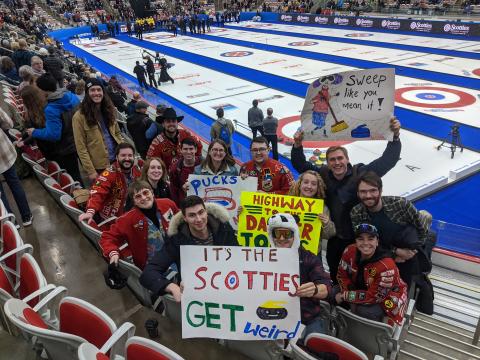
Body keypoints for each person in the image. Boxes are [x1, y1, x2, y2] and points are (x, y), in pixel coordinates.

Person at [291, 117, 401, 283]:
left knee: (362, 277)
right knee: (336, 274)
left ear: (347, 159)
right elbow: (301, 165)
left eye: (340, 158)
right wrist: (298, 145)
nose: (337, 163)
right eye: (332, 160)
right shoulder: (323, 174)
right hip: (335, 239)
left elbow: (386, 162)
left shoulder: (360, 172)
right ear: (327, 163)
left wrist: (395, 138)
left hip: (359, 237)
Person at [140, 195, 238, 302]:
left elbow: (239, 258)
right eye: (192, 215)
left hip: (227, 288)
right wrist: (171, 287)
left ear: (206, 211)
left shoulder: (224, 229)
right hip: (196, 296)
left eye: (201, 212)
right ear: (185, 218)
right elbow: (148, 273)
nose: (199, 219)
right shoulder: (176, 240)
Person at [350, 171, 432, 288]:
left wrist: (413, 251)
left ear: (381, 190)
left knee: (408, 288)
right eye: (363, 191)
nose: (368, 195)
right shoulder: (356, 213)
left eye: (373, 190)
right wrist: (395, 253)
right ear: (358, 193)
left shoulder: (401, 204)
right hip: (379, 257)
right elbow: (363, 244)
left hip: (408, 255)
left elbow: (422, 229)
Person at [267, 213, 331, 337]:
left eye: (286, 234)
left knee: (317, 349)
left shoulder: (310, 258)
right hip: (272, 317)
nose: (281, 238)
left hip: (307, 317)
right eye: (277, 234)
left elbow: (326, 287)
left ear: (294, 235)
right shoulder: (262, 258)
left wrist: (315, 289)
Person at [336, 223, 408, 326]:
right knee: (332, 292)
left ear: (377, 242)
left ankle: (371, 336)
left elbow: (374, 297)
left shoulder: (387, 266)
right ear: (355, 242)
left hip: (388, 297)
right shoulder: (349, 250)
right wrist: (346, 291)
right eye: (360, 239)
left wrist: (346, 296)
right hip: (363, 289)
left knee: (364, 311)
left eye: (370, 239)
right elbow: (341, 275)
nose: (365, 243)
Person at [99, 180, 178, 270]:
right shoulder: (127, 219)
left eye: (145, 193)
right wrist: (113, 253)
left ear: (152, 193)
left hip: (177, 253)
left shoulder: (167, 203)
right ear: (134, 202)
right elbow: (107, 237)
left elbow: (182, 219)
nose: (143, 198)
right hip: (154, 266)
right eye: (138, 196)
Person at [27, 73, 82, 183]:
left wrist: (35, 132)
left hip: (66, 148)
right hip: (80, 141)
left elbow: (54, 135)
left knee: (75, 179)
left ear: (43, 90)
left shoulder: (51, 109)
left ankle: (83, 199)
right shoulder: (72, 96)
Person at [72, 78, 124, 184]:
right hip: (99, 166)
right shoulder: (79, 117)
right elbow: (81, 148)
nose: (96, 93)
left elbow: (117, 133)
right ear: (87, 93)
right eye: (92, 90)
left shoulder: (110, 110)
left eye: (99, 90)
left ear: (103, 92)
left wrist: (123, 152)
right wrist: (91, 171)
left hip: (116, 160)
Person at [78, 143, 142, 224]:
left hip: (131, 212)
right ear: (116, 157)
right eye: (123, 155)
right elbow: (97, 192)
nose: (127, 158)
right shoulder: (109, 174)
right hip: (111, 220)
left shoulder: (136, 172)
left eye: (130, 155)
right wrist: (90, 212)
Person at [289, 170, 336, 252]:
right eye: (306, 182)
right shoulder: (287, 203)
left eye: (314, 184)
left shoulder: (322, 208)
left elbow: (328, 235)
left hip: (313, 254)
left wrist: (327, 223)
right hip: (288, 250)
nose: (309, 186)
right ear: (300, 184)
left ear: (318, 188)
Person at [0, 110, 33, 226]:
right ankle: (26, 216)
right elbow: (9, 124)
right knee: (15, 184)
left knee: (0, 194)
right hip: (4, 152)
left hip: (4, 152)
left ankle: (11, 223)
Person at [169, 138, 202, 205]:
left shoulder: (204, 164)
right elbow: (174, 190)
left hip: (202, 201)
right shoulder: (175, 168)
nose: (188, 152)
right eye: (185, 149)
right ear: (181, 150)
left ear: (195, 150)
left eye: (191, 149)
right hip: (185, 203)